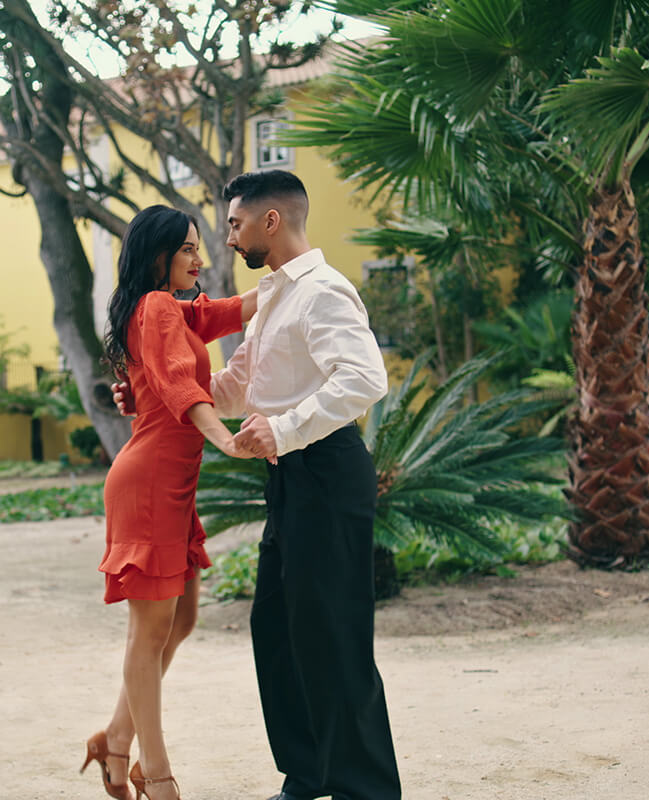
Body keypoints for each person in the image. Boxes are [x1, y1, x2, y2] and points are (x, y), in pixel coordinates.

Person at [114, 170, 402, 800]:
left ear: (272, 221)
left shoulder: (324, 290)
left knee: (334, 633)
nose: (228, 239)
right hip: (289, 478)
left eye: (235, 225)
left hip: (327, 469)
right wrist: (147, 395)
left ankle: (366, 790)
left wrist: (287, 428)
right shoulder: (274, 295)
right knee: (276, 628)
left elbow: (363, 379)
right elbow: (234, 382)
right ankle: (308, 774)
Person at [82, 204, 258, 800]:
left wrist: (296, 273)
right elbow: (183, 379)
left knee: (180, 621)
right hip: (151, 481)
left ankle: (113, 738)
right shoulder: (157, 305)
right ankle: (154, 774)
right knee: (150, 630)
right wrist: (227, 439)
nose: (199, 258)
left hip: (167, 484)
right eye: (187, 249)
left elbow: (229, 311)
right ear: (157, 254)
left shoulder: (168, 308)